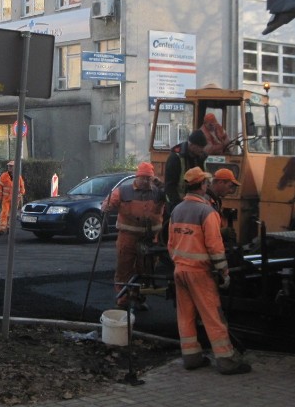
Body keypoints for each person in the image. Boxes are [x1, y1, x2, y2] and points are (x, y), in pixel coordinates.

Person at [168, 166, 251, 375]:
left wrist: (180, 262)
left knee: (185, 316)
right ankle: (226, 361)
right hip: (199, 273)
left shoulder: (176, 210)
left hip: (180, 270)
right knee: (212, 315)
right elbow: (215, 246)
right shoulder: (207, 212)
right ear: (203, 185)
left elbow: (170, 244)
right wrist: (223, 271)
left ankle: (191, 357)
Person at [101, 161, 165, 311]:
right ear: (136, 177)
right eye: (142, 178)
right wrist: (106, 207)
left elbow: (171, 194)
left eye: (148, 178)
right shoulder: (123, 191)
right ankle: (122, 300)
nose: (145, 181)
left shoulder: (158, 193)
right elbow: (108, 202)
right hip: (128, 237)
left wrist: (160, 184)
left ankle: (139, 298)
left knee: (145, 270)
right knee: (124, 269)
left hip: (150, 239)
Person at [164, 129, 208, 207]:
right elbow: (170, 186)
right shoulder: (175, 158)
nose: (202, 150)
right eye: (200, 147)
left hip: (196, 202)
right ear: (191, 145)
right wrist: (177, 205)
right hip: (178, 203)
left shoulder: (201, 157)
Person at [0, 160, 25, 236]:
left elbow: (22, 188)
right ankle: (1, 229)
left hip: (15, 200)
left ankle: (10, 228)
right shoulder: (4, 176)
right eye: (9, 166)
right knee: (4, 213)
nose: (9, 167)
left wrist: (20, 194)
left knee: (12, 215)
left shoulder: (18, 177)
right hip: (6, 199)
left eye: (11, 166)